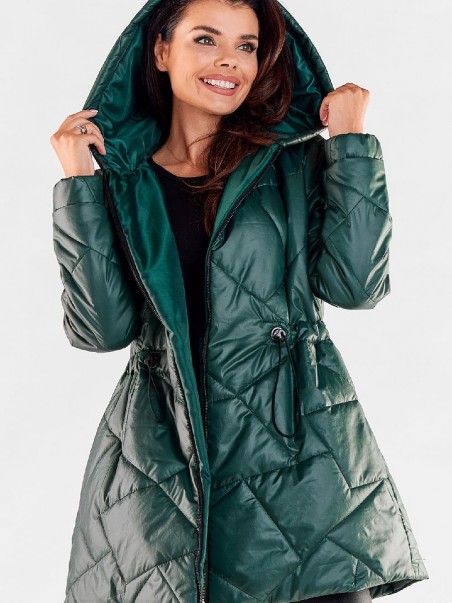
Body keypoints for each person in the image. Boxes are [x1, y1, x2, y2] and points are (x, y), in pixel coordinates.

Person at [49, 1, 429, 602]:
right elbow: (102, 330)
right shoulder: (124, 179)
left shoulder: (293, 161)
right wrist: (78, 184)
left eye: (246, 46)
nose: (229, 60)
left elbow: (356, 287)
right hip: (165, 459)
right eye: (206, 39)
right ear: (161, 51)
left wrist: (352, 144)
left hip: (300, 455)